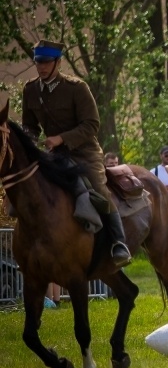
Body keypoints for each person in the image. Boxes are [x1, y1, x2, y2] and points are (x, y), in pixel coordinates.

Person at [21, 39, 132, 266]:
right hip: (52, 154)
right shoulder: (30, 89)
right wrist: (28, 142)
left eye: (46, 62)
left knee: (99, 189)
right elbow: (29, 126)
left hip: (84, 153)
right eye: (38, 62)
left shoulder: (77, 88)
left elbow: (92, 124)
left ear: (58, 62)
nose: (41, 67)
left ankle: (119, 243)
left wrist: (62, 138)